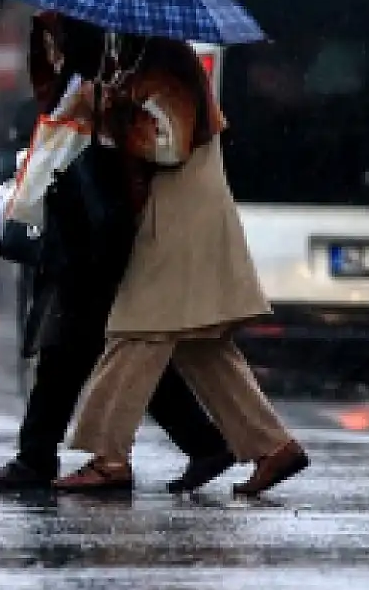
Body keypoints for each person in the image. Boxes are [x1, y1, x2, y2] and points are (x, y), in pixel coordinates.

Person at [0, 14, 235, 493]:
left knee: (79, 345)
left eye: (58, 29)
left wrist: (109, 111)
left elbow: (163, 143)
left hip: (101, 225)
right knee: (97, 347)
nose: (54, 39)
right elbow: (54, 108)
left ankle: (46, 456)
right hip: (80, 218)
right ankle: (201, 443)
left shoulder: (147, 65)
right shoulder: (99, 67)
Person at [54, 31, 308, 498]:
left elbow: (168, 145)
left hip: (181, 212)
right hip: (179, 209)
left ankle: (108, 456)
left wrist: (103, 111)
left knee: (137, 328)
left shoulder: (166, 61)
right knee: (199, 341)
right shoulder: (141, 59)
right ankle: (273, 446)